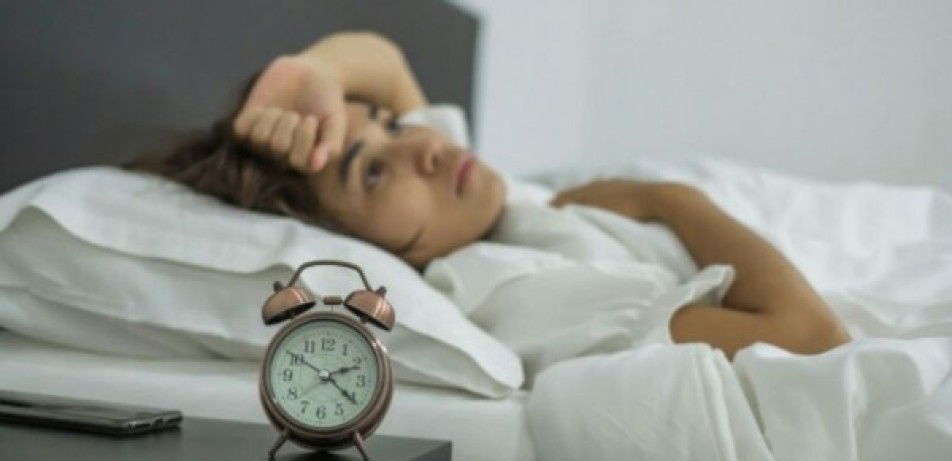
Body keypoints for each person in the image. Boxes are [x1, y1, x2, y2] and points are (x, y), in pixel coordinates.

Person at [126, 31, 849, 358]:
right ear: (351, 249)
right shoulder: (512, 291)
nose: (424, 143)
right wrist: (669, 199)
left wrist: (313, 74)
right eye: (372, 171)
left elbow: (385, 62)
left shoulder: (469, 208)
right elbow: (811, 339)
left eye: (387, 122)